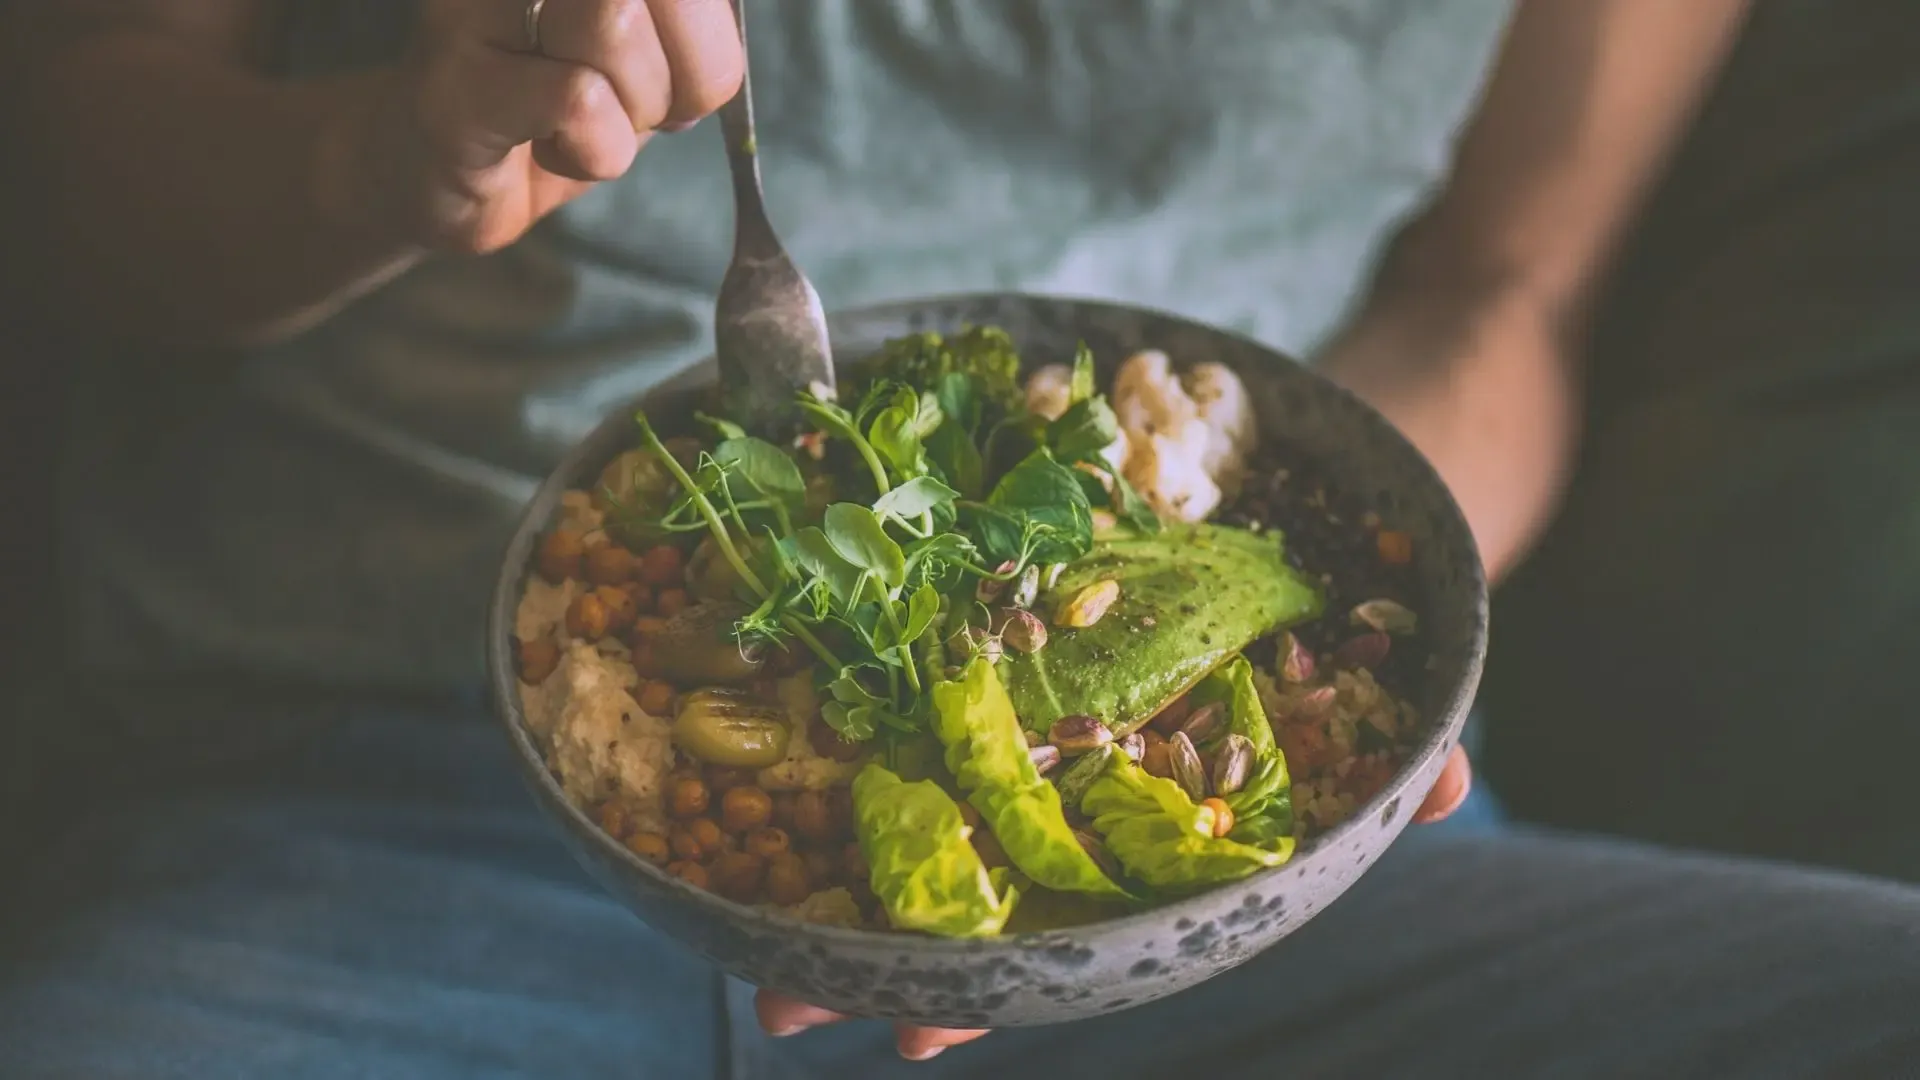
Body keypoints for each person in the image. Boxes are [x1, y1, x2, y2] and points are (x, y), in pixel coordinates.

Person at [2, 0, 1917, 1075]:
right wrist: (383, 150)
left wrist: (1306, 686)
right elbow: (81, 182)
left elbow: (1510, 289)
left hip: (1232, 906)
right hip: (374, 792)